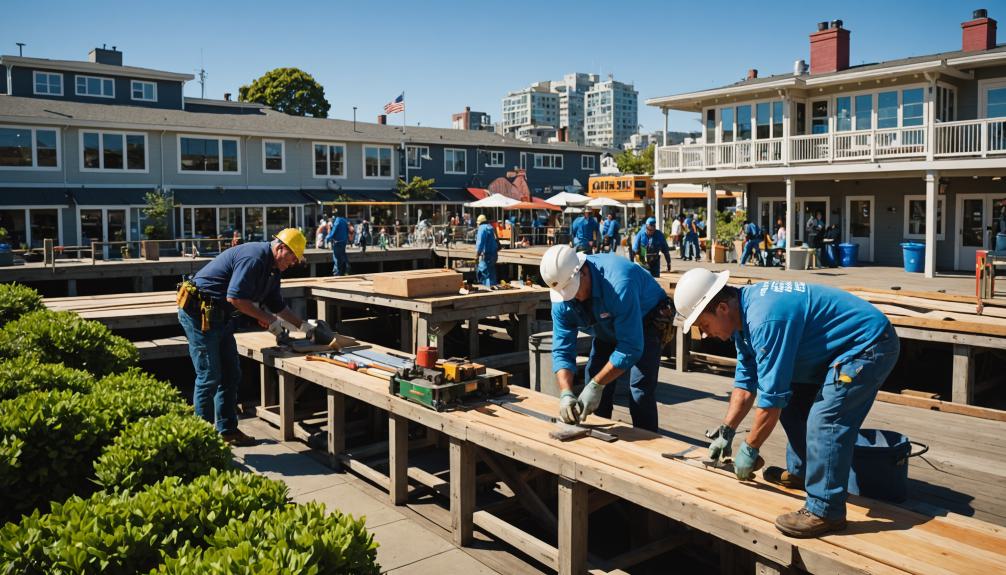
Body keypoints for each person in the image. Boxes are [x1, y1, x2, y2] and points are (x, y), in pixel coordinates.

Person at [673, 268, 899, 538]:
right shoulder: (743, 321)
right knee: (794, 408)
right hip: (832, 351)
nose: (705, 334)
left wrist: (750, 448)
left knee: (826, 419)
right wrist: (726, 432)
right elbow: (746, 384)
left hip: (867, 345)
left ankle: (826, 510)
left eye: (704, 325)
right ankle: (805, 475)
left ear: (722, 308)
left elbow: (770, 399)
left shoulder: (765, 320)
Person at [177, 228, 313, 446]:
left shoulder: (273, 269)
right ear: (281, 248)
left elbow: (277, 305)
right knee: (209, 375)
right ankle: (200, 441)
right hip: (199, 315)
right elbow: (236, 298)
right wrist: (269, 320)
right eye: (292, 257)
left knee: (231, 374)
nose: (293, 263)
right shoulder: (254, 257)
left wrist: (305, 327)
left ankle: (227, 431)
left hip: (220, 318)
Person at [541, 245, 673, 432]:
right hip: (607, 321)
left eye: (574, 290)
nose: (573, 298)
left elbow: (631, 347)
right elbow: (562, 350)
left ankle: (646, 443)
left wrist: (597, 385)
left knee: (639, 390)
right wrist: (566, 393)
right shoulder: (563, 300)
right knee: (593, 375)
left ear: (583, 272)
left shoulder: (619, 283)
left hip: (648, 318)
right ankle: (597, 435)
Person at [475, 214, 500, 286]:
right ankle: (493, 286)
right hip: (494, 254)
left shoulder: (482, 228)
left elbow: (480, 242)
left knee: (484, 271)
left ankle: (487, 288)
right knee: (491, 272)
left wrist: (477, 255)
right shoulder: (490, 227)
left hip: (487, 255)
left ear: (479, 223)